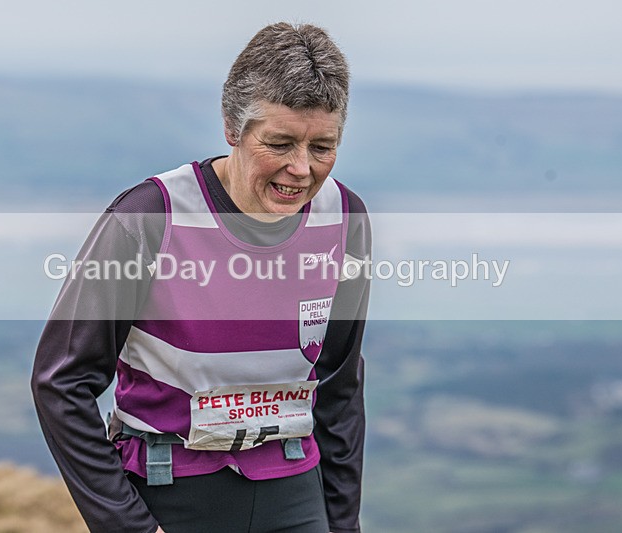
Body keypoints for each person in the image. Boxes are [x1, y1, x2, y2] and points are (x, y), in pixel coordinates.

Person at [32, 22, 370, 533]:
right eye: (279, 143)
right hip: (168, 495)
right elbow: (62, 382)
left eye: (322, 147)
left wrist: (343, 525)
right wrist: (129, 526)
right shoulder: (149, 217)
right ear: (233, 127)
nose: (301, 169)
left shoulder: (345, 219)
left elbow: (339, 391)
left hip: (296, 493)